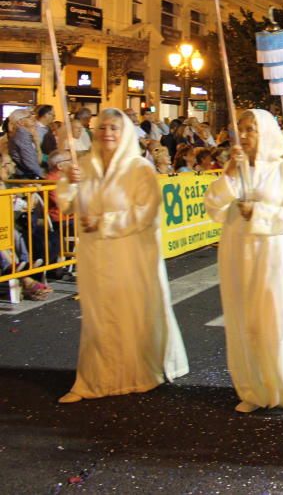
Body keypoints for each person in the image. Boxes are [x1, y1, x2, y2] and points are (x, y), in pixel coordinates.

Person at [55, 108, 188, 403]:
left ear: (125, 132)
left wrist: (105, 222)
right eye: (102, 127)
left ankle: (137, 372)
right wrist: (67, 181)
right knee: (98, 316)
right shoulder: (85, 165)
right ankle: (94, 378)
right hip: (95, 256)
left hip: (129, 255)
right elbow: (68, 205)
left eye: (114, 128)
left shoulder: (139, 169)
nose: (107, 133)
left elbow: (147, 212)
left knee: (130, 314)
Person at [204, 109, 283, 413]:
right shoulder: (233, 167)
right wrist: (231, 175)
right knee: (242, 320)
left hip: (274, 257)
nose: (245, 135)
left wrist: (259, 213)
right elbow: (213, 206)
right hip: (237, 253)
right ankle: (251, 389)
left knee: (274, 319)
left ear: (265, 132)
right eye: (242, 129)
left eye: (251, 129)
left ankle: (282, 388)